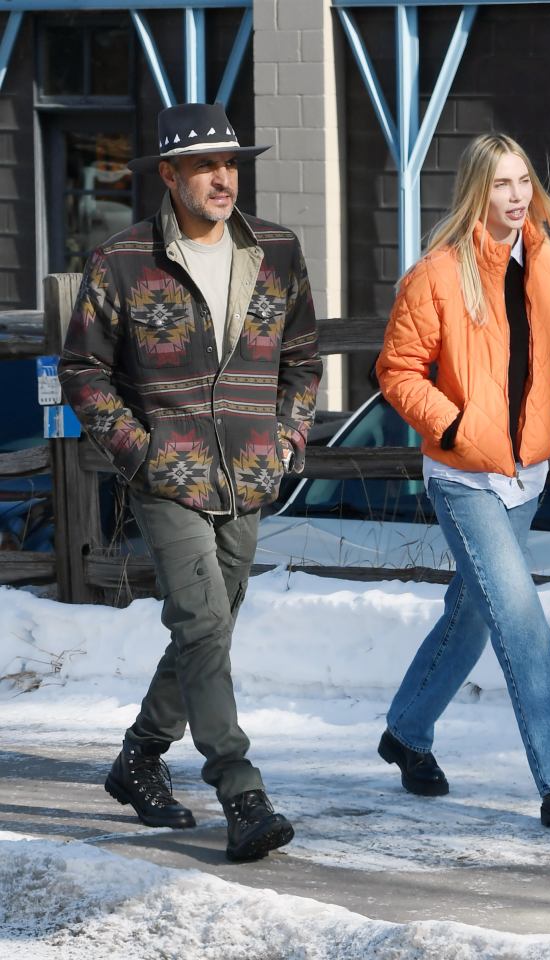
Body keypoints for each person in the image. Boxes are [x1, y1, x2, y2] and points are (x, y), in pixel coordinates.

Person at [58, 102, 322, 861]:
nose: (221, 178)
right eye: (204, 165)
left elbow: (301, 359)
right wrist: (139, 454)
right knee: (203, 621)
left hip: (248, 473)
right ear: (168, 176)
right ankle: (240, 789)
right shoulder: (124, 259)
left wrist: (285, 437)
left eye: (230, 163)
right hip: (165, 476)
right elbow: (84, 370)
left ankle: (139, 756)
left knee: (210, 623)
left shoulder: (276, 250)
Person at [375, 133, 550, 835]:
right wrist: (451, 429)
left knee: (472, 613)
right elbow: (397, 371)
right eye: (501, 184)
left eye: (522, 183)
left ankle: (407, 733)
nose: (515, 197)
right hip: (462, 477)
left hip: (525, 472)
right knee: (522, 624)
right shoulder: (437, 275)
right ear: (479, 190)